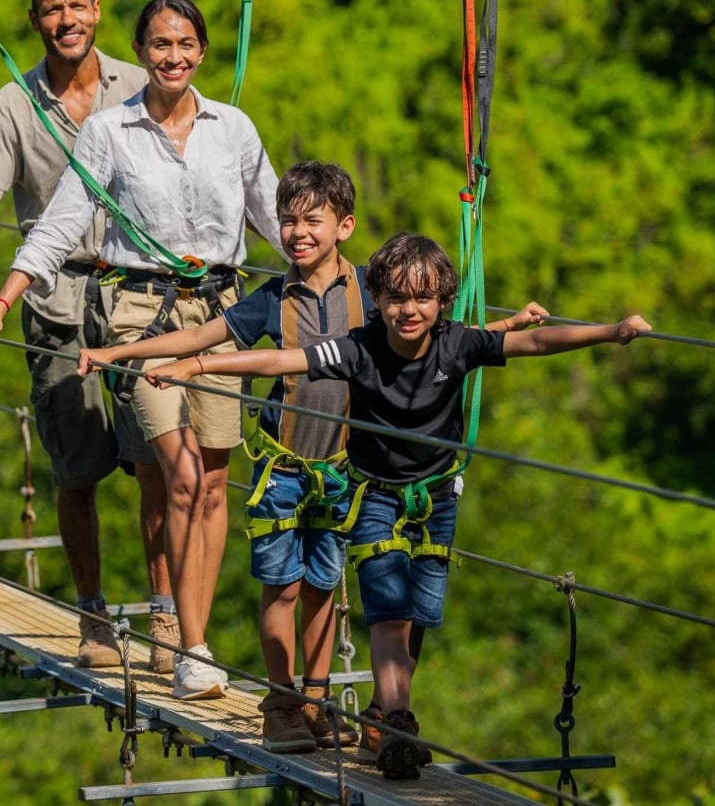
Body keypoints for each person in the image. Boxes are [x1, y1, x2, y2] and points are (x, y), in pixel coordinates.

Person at [143, 232, 650, 777]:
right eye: (397, 299)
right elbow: (281, 360)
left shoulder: (458, 343)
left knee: (420, 618)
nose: (409, 311)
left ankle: (384, 714)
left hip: (436, 499)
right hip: (375, 497)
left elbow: (535, 345)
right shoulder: (359, 347)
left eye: (422, 300)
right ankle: (399, 724)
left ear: (441, 303)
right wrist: (196, 368)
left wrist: (611, 333)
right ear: (378, 299)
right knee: (388, 613)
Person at [84, 167, 546, 752]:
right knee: (281, 584)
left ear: (344, 227)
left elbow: (431, 332)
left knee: (324, 586)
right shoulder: (274, 300)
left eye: (312, 221)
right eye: (288, 222)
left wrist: (503, 329)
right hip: (284, 466)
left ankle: (317, 697)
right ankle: (281, 700)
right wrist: (120, 350)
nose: (297, 233)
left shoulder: (373, 295)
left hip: (343, 470)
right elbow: (202, 339)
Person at [0, 0, 282, 700]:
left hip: (224, 313)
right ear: (139, 52)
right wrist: (0, 299)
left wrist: (343, 293)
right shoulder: (110, 131)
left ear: (202, 52)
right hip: (142, 315)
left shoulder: (233, 129)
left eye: (186, 45)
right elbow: (59, 221)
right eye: (160, 45)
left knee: (211, 483)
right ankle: (191, 644)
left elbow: (277, 219)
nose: (173, 57)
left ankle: (184, 623)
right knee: (177, 472)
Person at [0, 0, 163, 671]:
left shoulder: (140, 84)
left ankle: (165, 616)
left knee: (157, 460)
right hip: (56, 300)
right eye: (52, 10)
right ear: (35, 22)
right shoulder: (11, 107)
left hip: (140, 299)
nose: (66, 20)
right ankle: (93, 615)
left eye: (76, 6)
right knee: (76, 467)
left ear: (98, 11)